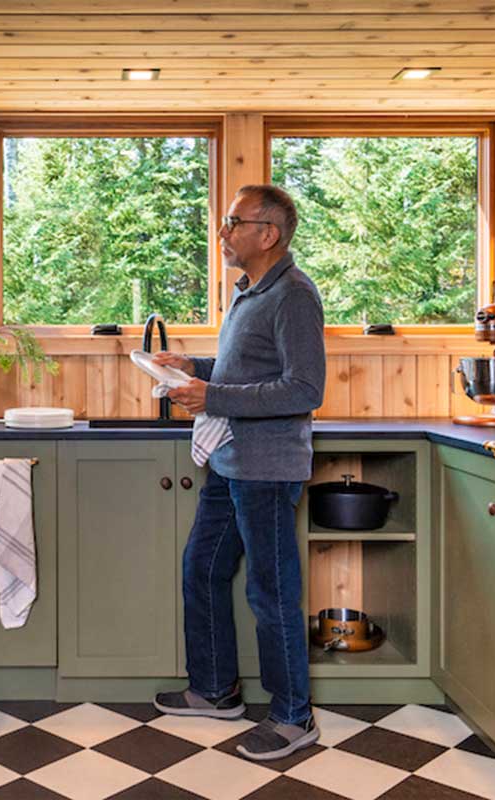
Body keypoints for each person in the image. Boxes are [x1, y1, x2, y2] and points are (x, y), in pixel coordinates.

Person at [150, 184, 328, 761]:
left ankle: (293, 716)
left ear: (268, 234)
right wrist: (192, 368)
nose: (222, 231)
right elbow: (245, 368)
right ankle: (214, 690)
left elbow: (304, 389)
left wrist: (213, 395)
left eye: (233, 222)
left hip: (268, 469)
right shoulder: (250, 291)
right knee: (201, 569)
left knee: (270, 591)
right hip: (230, 461)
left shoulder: (295, 296)